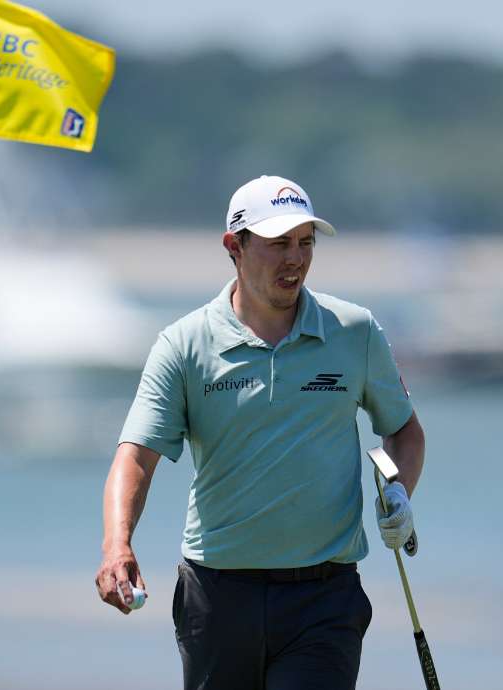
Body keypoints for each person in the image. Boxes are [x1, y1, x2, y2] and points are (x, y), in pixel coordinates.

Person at [95, 175, 425, 689]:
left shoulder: (354, 331)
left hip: (324, 600)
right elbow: (136, 456)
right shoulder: (183, 345)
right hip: (217, 598)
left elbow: (403, 430)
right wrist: (117, 545)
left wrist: (399, 491)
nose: (295, 259)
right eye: (278, 243)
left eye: (305, 242)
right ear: (235, 246)